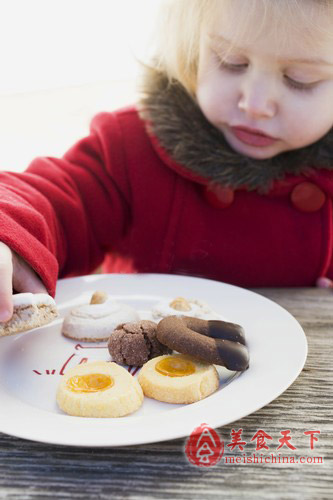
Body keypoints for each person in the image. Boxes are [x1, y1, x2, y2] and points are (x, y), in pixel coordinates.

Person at [1, 0, 333, 322]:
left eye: (300, 79)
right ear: (193, 45)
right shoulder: (131, 148)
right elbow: (54, 198)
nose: (255, 103)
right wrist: (9, 235)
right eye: (231, 61)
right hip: (134, 368)